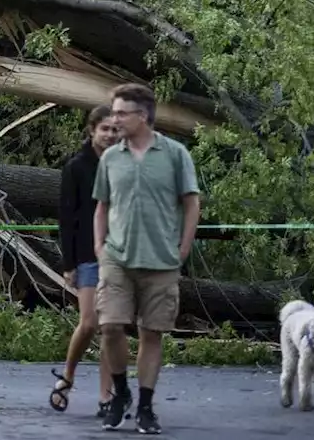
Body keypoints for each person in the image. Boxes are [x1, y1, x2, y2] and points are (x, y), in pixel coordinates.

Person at [94, 83, 201, 434]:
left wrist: (182, 248)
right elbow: (102, 206)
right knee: (110, 326)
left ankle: (145, 406)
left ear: (143, 116)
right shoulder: (110, 157)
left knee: (151, 333)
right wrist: (99, 246)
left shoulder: (175, 154)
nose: (115, 119)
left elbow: (191, 203)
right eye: (113, 112)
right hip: (117, 257)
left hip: (161, 260)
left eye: (122, 113)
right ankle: (120, 393)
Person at [49, 105, 118, 417]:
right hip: (86, 256)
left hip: (119, 257)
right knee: (89, 322)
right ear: (92, 130)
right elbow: (67, 218)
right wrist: (68, 265)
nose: (109, 135)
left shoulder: (125, 164)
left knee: (110, 327)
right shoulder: (77, 167)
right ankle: (67, 376)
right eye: (104, 129)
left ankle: (106, 396)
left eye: (115, 130)